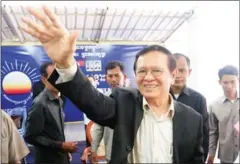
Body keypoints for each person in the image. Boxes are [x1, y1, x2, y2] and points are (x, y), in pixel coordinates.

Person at [20, 6, 204, 163]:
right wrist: (66, 64)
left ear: (172, 75)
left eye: (156, 70)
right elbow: (91, 101)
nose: (148, 77)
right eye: (141, 71)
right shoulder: (124, 102)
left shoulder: (192, 119)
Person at [24, 62, 78, 164]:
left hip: (61, 157)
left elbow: (54, 132)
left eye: (61, 75)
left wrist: (64, 150)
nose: (59, 80)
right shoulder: (40, 104)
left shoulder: (59, 100)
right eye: (54, 76)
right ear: (44, 80)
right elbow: (30, 137)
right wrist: (60, 145)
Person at [170, 53, 209, 161]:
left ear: (189, 72)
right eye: (174, 70)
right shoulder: (159, 97)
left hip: (188, 157)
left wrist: (202, 158)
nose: (177, 75)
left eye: (182, 70)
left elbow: (205, 134)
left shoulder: (199, 99)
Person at [91, 61, 126, 163]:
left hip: (133, 154)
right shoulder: (103, 100)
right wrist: (94, 149)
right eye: (110, 76)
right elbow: (98, 127)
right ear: (106, 78)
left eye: (117, 75)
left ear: (124, 76)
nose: (114, 79)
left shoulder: (135, 98)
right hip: (111, 154)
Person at [207, 65, 239, 164]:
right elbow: (213, 132)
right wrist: (211, 155)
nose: (229, 86)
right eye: (225, 82)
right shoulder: (214, 105)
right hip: (226, 156)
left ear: (238, 80)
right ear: (219, 82)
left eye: (232, 82)